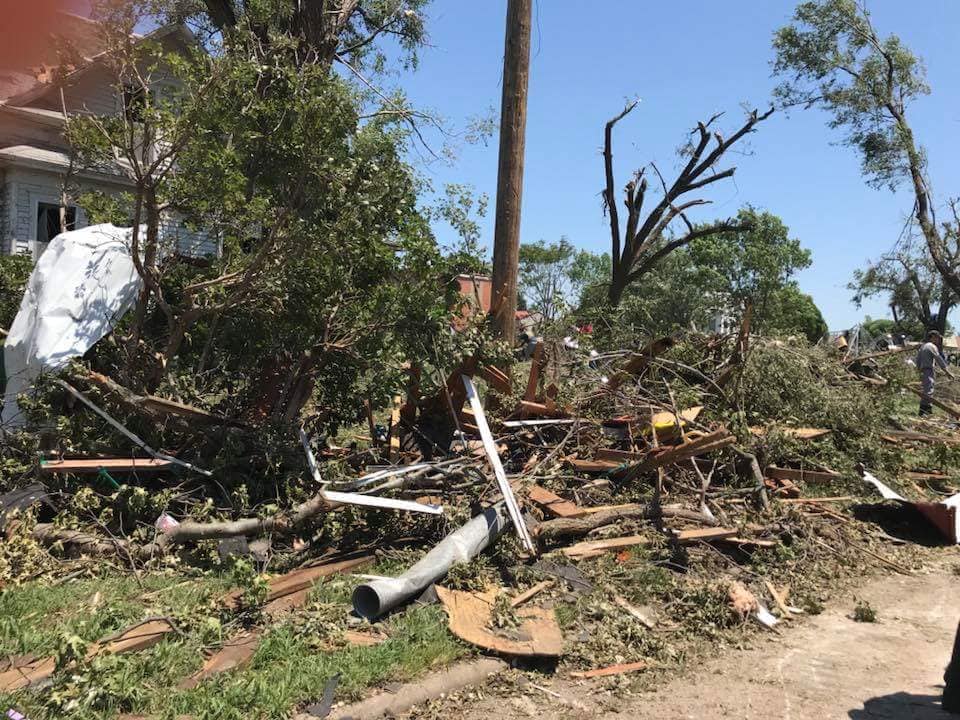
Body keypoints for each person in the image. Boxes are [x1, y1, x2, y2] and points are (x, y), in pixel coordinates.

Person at [916, 330, 956, 415]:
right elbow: (939, 359)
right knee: (929, 391)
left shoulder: (923, 346)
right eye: (937, 338)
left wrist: (919, 370)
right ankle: (924, 411)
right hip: (928, 370)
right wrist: (947, 372)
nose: (938, 340)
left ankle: (926, 411)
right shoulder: (932, 346)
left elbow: (918, 360)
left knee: (926, 390)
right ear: (933, 337)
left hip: (923, 371)